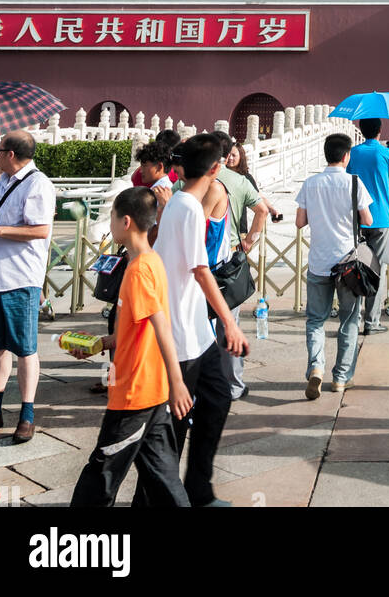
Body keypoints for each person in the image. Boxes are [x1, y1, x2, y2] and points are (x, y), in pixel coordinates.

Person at [70, 187, 193, 507]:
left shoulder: (139, 270)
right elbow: (137, 328)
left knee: (101, 476)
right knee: (165, 480)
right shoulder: (150, 261)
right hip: (151, 392)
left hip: (134, 395)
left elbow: (161, 325)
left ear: (125, 221)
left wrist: (178, 382)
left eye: (111, 216)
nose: (109, 222)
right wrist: (102, 343)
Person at [149, 133, 249, 506]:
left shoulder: (178, 203)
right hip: (182, 336)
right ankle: (167, 496)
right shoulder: (187, 207)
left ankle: (198, 488)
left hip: (197, 334)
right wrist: (231, 323)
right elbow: (201, 269)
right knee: (175, 423)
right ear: (215, 168)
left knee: (218, 398)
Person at [0, 131, 55, 443]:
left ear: (11, 154)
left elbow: (40, 230)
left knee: (25, 348)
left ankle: (27, 412)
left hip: (21, 277)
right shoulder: (3, 182)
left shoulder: (38, 184)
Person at [295, 132, 373, 398]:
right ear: (346, 156)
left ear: (326, 154)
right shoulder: (354, 183)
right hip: (348, 264)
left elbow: (299, 222)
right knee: (349, 321)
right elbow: (369, 219)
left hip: (319, 262)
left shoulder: (311, 183)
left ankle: (316, 367)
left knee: (316, 319)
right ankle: (340, 378)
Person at [213, 132, 273, 401]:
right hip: (231, 260)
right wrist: (250, 240)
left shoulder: (194, 181)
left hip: (199, 260)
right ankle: (233, 385)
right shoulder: (239, 181)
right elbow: (262, 210)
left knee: (200, 325)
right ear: (228, 156)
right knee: (229, 325)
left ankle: (200, 383)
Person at [347, 118, 389, 334]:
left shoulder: (353, 152)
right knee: (375, 270)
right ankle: (371, 322)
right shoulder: (387, 154)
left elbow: (347, 177)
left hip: (357, 218)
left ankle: (352, 320)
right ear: (380, 130)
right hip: (380, 218)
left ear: (361, 129)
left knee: (354, 267)